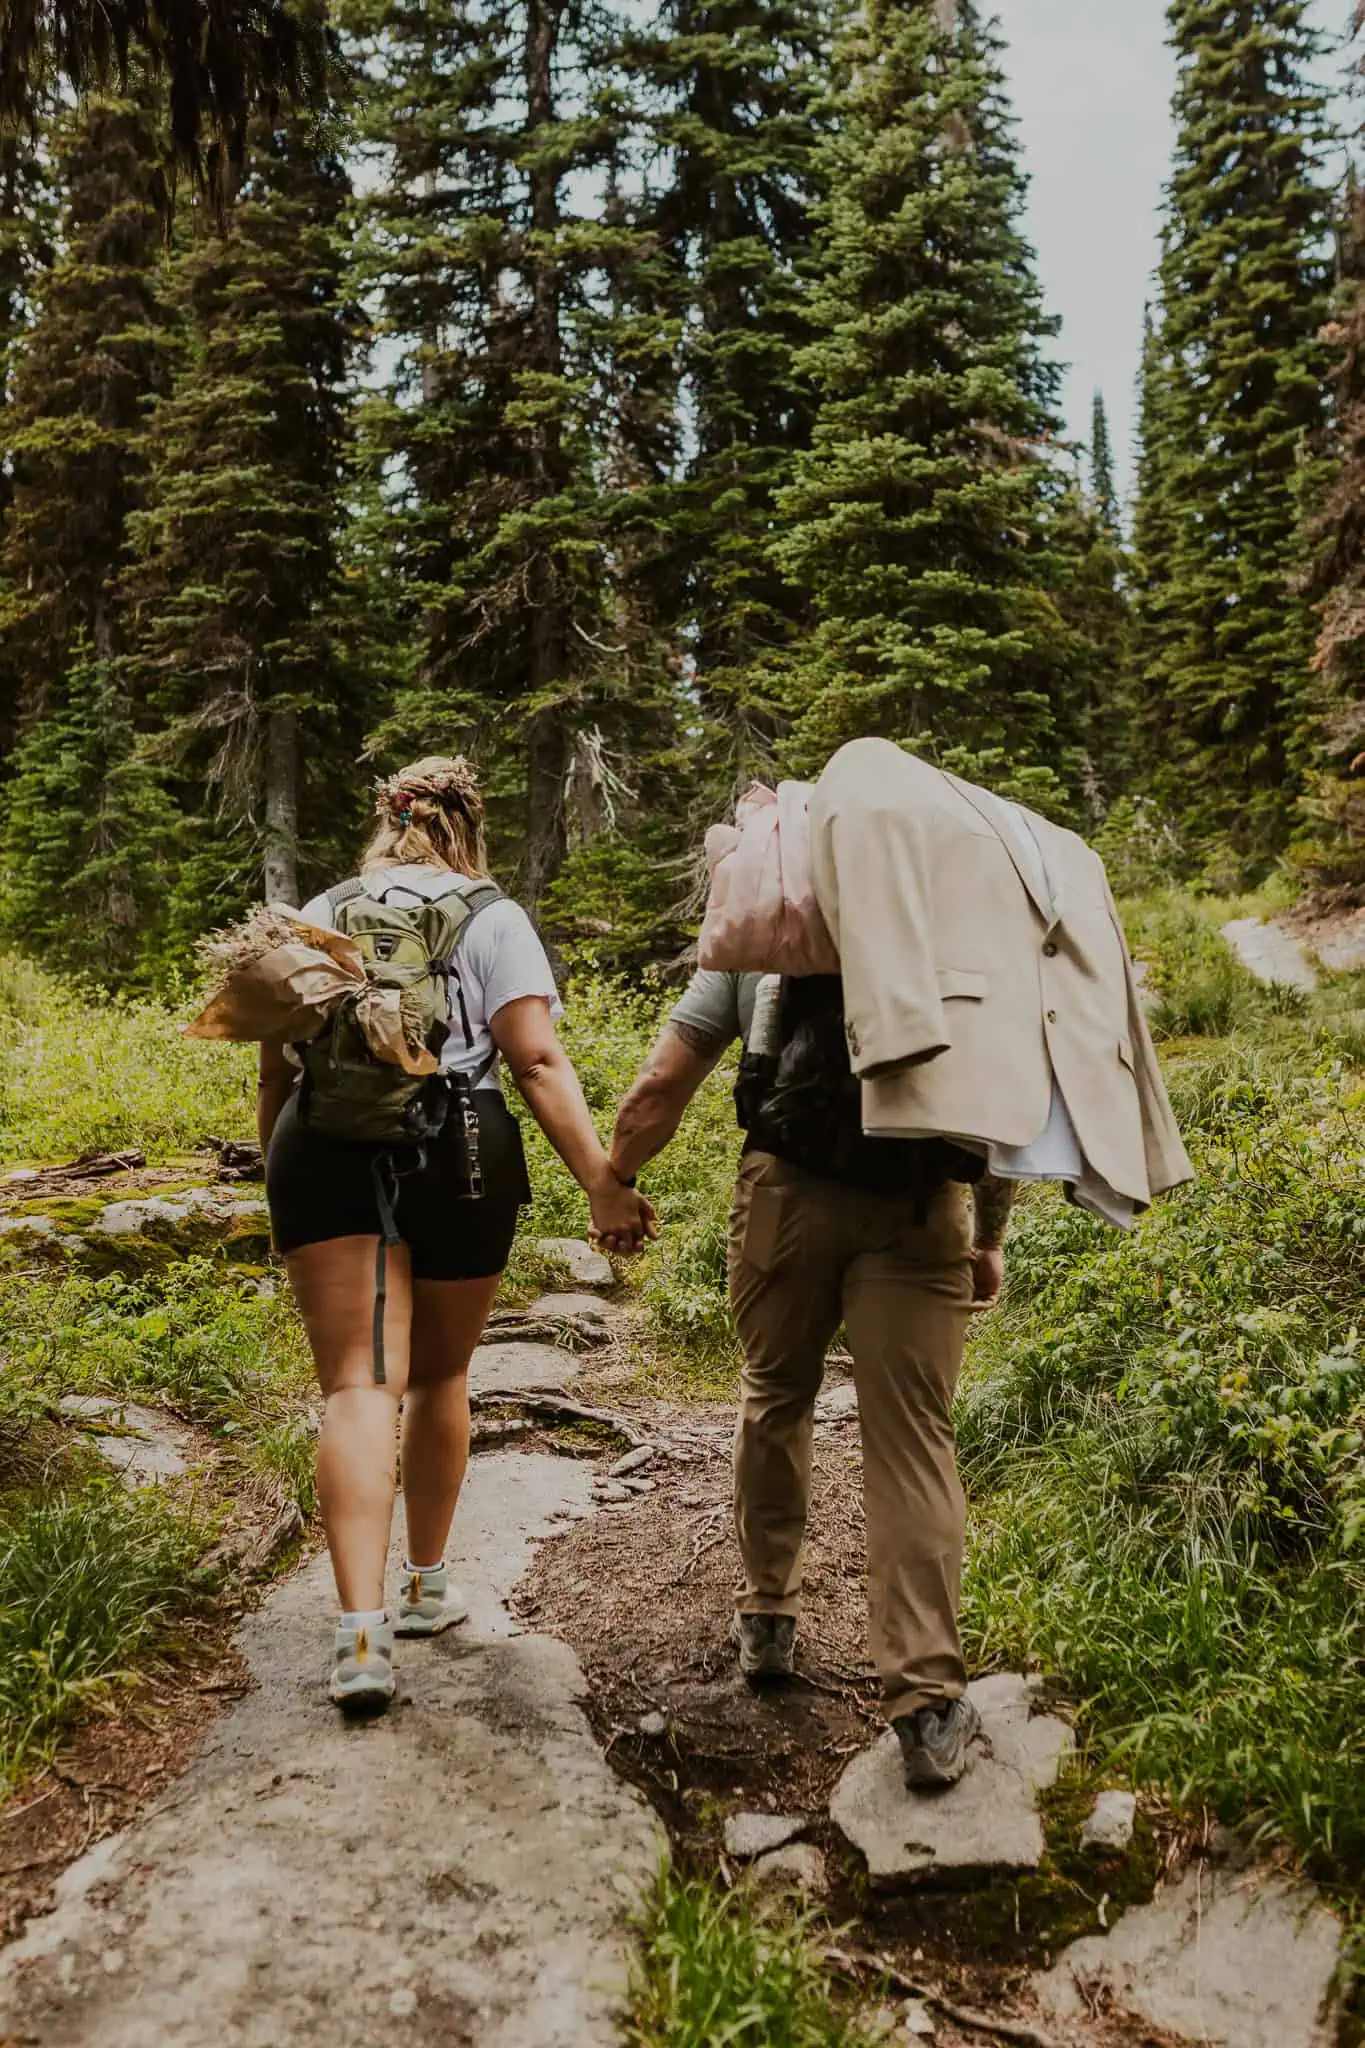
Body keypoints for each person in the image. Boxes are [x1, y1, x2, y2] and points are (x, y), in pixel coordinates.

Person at [259, 756, 654, 1713]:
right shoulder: (493, 917)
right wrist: (603, 1182)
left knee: (357, 1383)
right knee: (437, 1376)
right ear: (467, 826)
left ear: (384, 820)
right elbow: (537, 1061)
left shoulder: (321, 908)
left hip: (321, 1150)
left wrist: (275, 1170)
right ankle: (428, 1586)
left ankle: (357, 1637)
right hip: (462, 1150)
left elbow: (277, 1056)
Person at [608, 968, 1014, 1789]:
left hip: (783, 1192)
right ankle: (927, 1703)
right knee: (913, 1441)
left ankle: (766, 1617)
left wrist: (614, 1174)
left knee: (775, 1393)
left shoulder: (774, 909)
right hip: (921, 1199)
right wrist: (986, 1236)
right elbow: (1002, 1104)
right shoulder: (956, 920)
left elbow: (661, 1081)